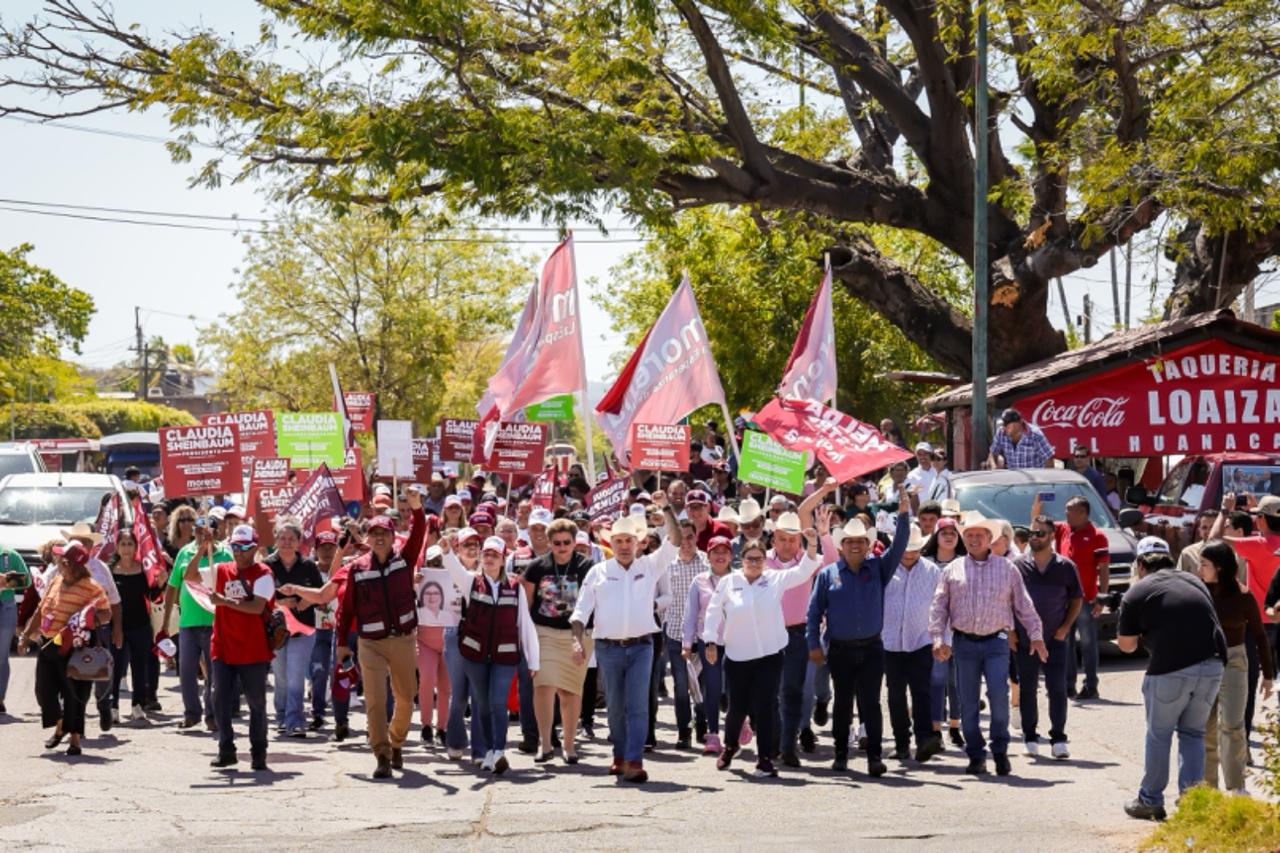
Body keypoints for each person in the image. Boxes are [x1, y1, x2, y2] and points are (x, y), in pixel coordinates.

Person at [569, 499, 682, 784]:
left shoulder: (651, 565)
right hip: (608, 648)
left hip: (643, 645)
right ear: (611, 543)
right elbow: (581, 610)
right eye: (617, 540)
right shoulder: (599, 571)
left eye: (628, 540)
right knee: (616, 707)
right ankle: (620, 755)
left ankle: (634, 760)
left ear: (639, 542)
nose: (623, 545)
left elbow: (676, 541)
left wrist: (667, 509)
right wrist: (576, 641)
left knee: (638, 705)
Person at [1117, 537, 1227, 821]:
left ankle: (1150, 799)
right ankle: (1192, 802)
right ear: (1169, 559)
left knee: (1159, 734)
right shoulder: (1194, 582)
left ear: (1140, 566)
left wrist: (1145, 631)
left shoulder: (1137, 592)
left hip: (1171, 670)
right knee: (1193, 734)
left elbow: (1127, 645)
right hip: (1214, 665)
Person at [929, 514, 1047, 776]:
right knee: (968, 701)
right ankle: (975, 754)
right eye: (969, 535)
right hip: (964, 643)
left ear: (989, 539)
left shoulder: (1007, 569)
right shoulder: (952, 570)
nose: (973, 539)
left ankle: (1000, 751)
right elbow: (939, 607)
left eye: (979, 535)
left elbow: (1024, 605)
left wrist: (1036, 634)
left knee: (998, 696)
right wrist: (938, 638)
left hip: (997, 641)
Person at [807, 490, 911, 776]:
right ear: (841, 545)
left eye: (860, 541)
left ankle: (874, 757)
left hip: (871, 648)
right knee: (841, 703)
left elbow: (900, 545)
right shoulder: (828, 574)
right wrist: (813, 644)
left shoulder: (878, 568)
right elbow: (814, 612)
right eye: (849, 541)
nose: (854, 545)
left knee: (871, 703)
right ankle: (841, 754)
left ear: (868, 545)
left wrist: (904, 514)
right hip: (839, 649)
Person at [705, 532, 821, 777]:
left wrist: (812, 543)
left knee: (766, 706)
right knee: (736, 708)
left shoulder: (775, 579)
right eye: (750, 558)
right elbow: (714, 611)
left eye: (759, 558)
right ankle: (730, 746)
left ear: (765, 561)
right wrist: (710, 640)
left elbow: (803, 571)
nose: (755, 563)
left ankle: (765, 758)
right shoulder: (729, 581)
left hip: (769, 654)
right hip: (737, 656)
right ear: (741, 559)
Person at [334, 490, 427, 779]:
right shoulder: (357, 569)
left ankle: (396, 740)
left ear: (392, 535)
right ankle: (382, 754)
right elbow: (346, 609)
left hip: (402, 638)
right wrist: (341, 644)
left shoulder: (404, 559)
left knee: (406, 696)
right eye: (373, 533)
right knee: (374, 700)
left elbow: (419, 533)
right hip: (370, 643)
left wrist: (416, 508)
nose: (379, 538)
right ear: (368, 538)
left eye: (384, 533)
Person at [449, 535, 540, 773]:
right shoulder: (472, 582)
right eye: (486, 554)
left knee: (498, 703)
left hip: (505, 655)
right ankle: (488, 749)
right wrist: (446, 550)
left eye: (494, 555)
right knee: (482, 704)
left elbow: (524, 623)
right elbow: (453, 568)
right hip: (475, 655)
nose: (489, 558)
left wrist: (533, 659)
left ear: (503, 559)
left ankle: (499, 750)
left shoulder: (515, 586)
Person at [18, 541, 111, 757]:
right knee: (44, 692)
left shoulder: (92, 587)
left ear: (69, 563)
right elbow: (41, 610)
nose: (58, 562)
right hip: (49, 644)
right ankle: (60, 724)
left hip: (74, 648)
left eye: (61, 560)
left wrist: (88, 618)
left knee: (75, 695)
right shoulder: (56, 581)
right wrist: (25, 637)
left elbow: (106, 613)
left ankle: (75, 739)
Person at [1196, 541, 1274, 794]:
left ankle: (1237, 786)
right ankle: (1208, 789)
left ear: (1219, 567)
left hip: (1235, 661)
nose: (1199, 568)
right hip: (1204, 661)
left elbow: (1260, 635)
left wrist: (1268, 674)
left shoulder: (1243, 595)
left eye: (1204, 564)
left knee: (1232, 725)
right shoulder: (1199, 591)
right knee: (1205, 727)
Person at [520, 518, 596, 764]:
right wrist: (526, 636)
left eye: (567, 542)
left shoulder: (587, 567)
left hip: (578, 635)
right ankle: (545, 743)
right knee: (543, 686)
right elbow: (528, 603)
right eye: (557, 543)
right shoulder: (536, 567)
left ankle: (570, 745)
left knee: (570, 691)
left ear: (575, 542)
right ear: (549, 543)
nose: (562, 547)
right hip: (545, 632)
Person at [776, 480, 838, 766]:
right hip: (770, 635)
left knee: (801, 689)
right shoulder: (762, 563)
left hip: (802, 634)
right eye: (783, 538)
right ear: (774, 539)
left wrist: (825, 494)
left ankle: (796, 735)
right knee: (776, 690)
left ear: (799, 539)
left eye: (793, 537)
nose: (788, 543)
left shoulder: (807, 561)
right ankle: (780, 738)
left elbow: (832, 563)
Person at [1013, 515, 1084, 758]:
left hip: (1055, 640)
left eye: (1040, 533)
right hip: (1025, 640)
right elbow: (1006, 600)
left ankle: (1058, 739)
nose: (1035, 537)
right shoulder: (1017, 565)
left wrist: (1064, 629)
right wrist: (1011, 632)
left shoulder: (1066, 567)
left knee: (1057, 688)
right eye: (1032, 533)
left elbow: (1076, 599)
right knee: (1027, 689)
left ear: (1052, 536)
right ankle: (1030, 736)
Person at [206, 525, 275, 771]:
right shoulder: (221, 569)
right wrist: (203, 547)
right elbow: (189, 576)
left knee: (256, 702)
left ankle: (259, 751)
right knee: (219, 698)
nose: (238, 552)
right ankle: (226, 749)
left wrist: (224, 601)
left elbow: (257, 607)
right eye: (234, 546)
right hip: (223, 646)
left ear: (255, 548)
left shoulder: (264, 573)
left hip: (252, 648)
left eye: (244, 547)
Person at [1034, 494, 1109, 700]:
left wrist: (1102, 596)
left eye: (1070, 509)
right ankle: (1068, 686)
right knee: (1064, 641)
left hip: (1087, 599)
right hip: (1063, 599)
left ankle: (1091, 685)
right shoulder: (1062, 529)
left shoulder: (1098, 536)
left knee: (1088, 643)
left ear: (1083, 512)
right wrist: (1038, 504)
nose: (1065, 513)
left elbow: (1103, 569)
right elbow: (1040, 524)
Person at [881, 524, 946, 762]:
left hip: (921, 640)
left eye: (914, 549)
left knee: (922, 692)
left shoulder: (932, 571)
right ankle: (901, 743)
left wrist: (942, 639)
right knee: (895, 694)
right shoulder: (885, 569)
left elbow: (941, 607)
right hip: (889, 642)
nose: (909, 554)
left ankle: (923, 740)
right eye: (905, 549)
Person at [163, 518, 231, 730]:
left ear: (215, 531)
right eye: (199, 530)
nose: (203, 533)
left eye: (207, 530)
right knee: (186, 670)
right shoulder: (184, 553)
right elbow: (173, 586)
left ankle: (212, 714)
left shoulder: (225, 554)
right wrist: (165, 622)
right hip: (188, 622)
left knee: (214, 673)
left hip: (214, 622)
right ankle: (191, 713)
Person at [264, 517, 323, 738]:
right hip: (276, 631)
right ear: (276, 540)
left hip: (303, 629)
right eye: (283, 538)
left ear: (299, 542)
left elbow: (320, 593)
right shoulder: (267, 565)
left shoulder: (308, 566)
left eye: (291, 539)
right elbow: (260, 597)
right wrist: (281, 604)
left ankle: (295, 720)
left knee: (296, 674)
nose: (287, 542)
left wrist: (305, 600)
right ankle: (281, 715)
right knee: (281, 676)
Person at [658, 518, 708, 750]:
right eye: (682, 537)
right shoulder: (666, 565)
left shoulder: (708, 563)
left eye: (690, 536)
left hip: (705, 635)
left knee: (704, 684)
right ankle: (683, 731)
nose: (686, 542)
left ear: (696, 537)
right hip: (676, 633)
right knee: (680, 685)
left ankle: (703, 723)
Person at [681, 536, 734, 754]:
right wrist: (687, 643)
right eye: (715, 552)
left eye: (725, 552)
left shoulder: (739, 578)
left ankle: (739, 727)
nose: (720, 556)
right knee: (712, 688)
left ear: (731, 556)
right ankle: (713, 734)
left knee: (735, 688)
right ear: (709, 556)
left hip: (736, 642)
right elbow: (691, 613)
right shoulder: (700, 580)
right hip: (708, 642)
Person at [108, 529, 158, 722]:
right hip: (117, 626)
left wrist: (160, 582)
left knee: (139, 666)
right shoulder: (110, 570)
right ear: (117, 547)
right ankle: (113, 706)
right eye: (123, 544)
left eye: (130, 544)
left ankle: (138, 704)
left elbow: (153, 595)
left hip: (141, 625)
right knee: (117, 666)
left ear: (136, 547)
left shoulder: (143, 570)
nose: (127, 548)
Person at [414, 545, 458, 746]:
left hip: (448, 640)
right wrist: (412, 582)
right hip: (425, 641)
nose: (437, 566)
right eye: (433, 563)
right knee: (427, 680)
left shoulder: (456, 580)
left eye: (440, 562)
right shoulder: (418, 581)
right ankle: (425, 725)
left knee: (445, 687)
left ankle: (442, 727)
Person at [0, 543, 32, 714]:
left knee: (1, 655)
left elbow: (27, 581)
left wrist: (7, 580)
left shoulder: (9, 555)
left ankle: (0, 698)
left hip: (5, 606)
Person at [987, 409, 1054, 470]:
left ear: (1019, 423)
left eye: (1007, 424)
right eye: (1003, 425)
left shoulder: (1035, 435)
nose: (1004, 427)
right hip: (1013, 478)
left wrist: (1045, 480)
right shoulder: (1001, 433)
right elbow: (993, 452)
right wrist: (994, 467)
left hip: (1034, 479)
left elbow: (1048, 459)